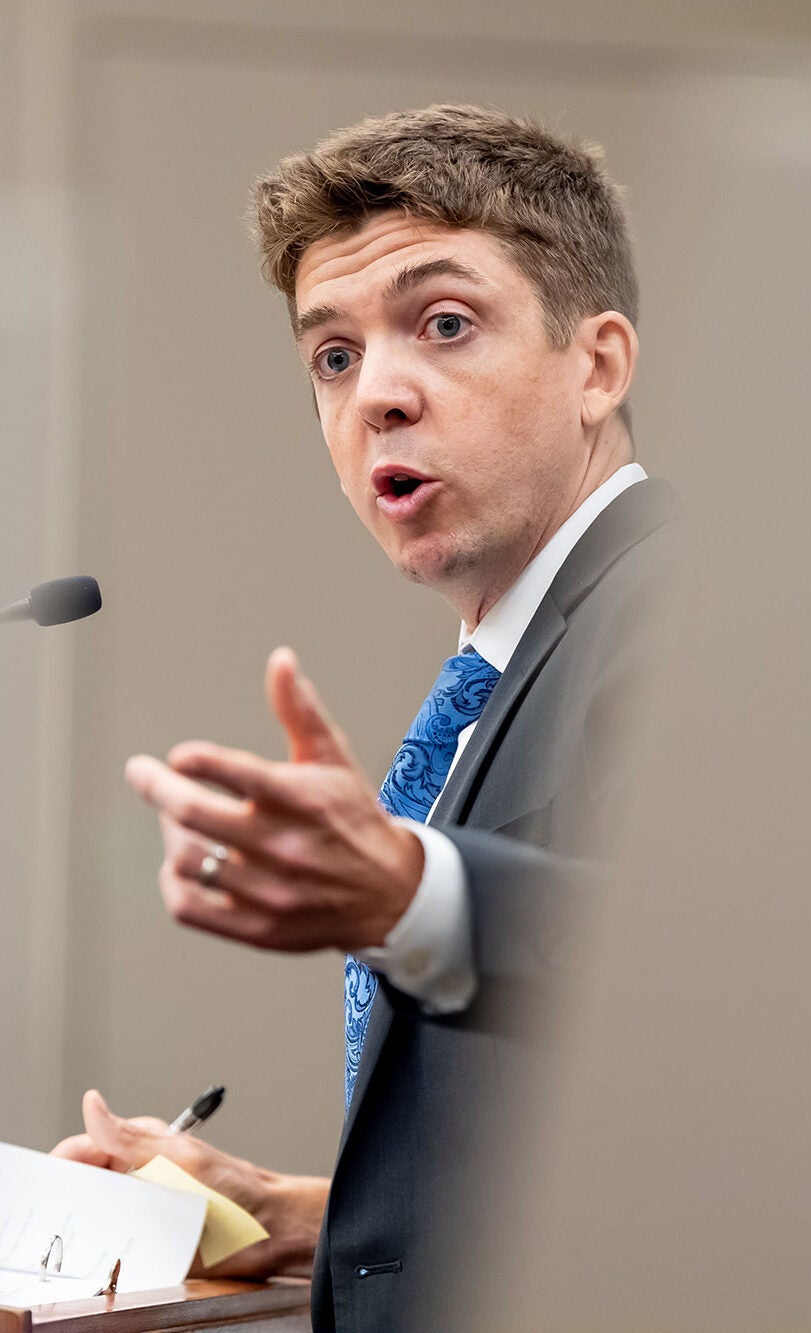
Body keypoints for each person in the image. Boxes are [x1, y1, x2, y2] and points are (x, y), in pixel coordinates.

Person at [53, 104, 680, 1330]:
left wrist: (410, 893)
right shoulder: (506, 669)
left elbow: (713, 983)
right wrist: (289, 1211)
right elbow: (560, 1141)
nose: (376, 393)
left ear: (597, 365)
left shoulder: (692, 604)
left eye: (443, 326)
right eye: (331, 357)